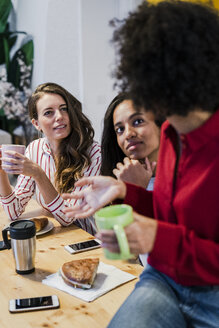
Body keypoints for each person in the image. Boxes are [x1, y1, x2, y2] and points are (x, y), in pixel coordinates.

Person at [62, 1, 219, 327]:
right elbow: (171, 213)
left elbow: (171, 234)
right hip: (166, 278)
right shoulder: (171, 133)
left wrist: (156, 238)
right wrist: (124, 191)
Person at [0, 82, 101, 235]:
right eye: (49, 112)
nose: (59, 117)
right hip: (54, 236)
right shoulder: (34, 149)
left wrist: (38, 174)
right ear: (36, 124)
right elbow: (14, 212)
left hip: (86, 240)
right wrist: (1, 172)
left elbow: (68, 218)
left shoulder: (93, 152)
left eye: (63, 109)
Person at [101, 93, 164, 266]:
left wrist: (137, 193)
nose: (128, 134)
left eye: (137, 121)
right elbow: (126, 254)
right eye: (119, 129)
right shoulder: (123, 178)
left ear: (160, 124)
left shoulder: (182, 178)